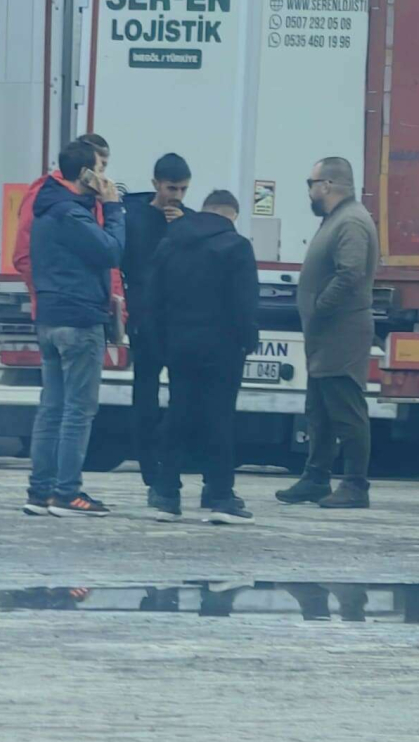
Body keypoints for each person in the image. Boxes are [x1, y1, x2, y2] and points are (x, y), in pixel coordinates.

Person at [22, 140, 125, 518]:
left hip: (49, 317)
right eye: (101, 167)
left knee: (52, 408)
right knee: (78, 411)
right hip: (79, 319)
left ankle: (40, 491)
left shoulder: (46, 206)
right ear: (86, 174)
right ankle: (67, 493)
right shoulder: (72, 214)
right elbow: (112, 251)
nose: (105, 176)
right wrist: (113, 208)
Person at [147, 190, 259, 523]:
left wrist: (162, 344)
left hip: (179, 344)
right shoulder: (237, 247)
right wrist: (247, 341)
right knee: (219, 418)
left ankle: (167, 494)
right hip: (222, 348)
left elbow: (154, 300)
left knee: (178, 413)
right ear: (231, 215)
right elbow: (245, 303)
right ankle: (220, 495)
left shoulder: (170, 243)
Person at [276, 157, 379, 510]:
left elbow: (350, 273)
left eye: (311, 183)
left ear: (328, 185)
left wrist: (320, 307)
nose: (309, 190)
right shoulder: (335, 219)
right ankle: (316, 478)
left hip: (341, 331)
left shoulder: (351, 221)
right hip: (326, 334)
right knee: (319, 409)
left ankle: (355, 484)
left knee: (346, 408)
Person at [121, 152, 192, 506]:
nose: (176, 196)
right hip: (145, 318)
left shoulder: (189, 221)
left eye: (182, 189)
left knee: (182, 397)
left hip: (179, 320)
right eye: (170, 188)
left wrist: (182, 228)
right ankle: (148, 464)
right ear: (156, 185)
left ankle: (172, 461)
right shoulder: (135, 218)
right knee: (145, 396)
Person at [13, 133, 123, 322]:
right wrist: (50, 295)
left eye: (104, 167)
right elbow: (24, 255)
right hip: (69, 310)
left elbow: (107, 262)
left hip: (91, 309)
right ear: (84, 169)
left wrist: (117, 304)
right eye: (99, 167)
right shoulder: (47, 196)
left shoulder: (90, 200)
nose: (103, 177)